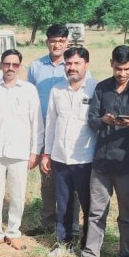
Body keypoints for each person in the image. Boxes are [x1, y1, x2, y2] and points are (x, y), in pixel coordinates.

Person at [76, 45, 129, 257]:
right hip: (101, 162)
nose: (122, 73)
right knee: (95, 213)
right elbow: (91, 119)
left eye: (127, 68)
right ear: (111, 63)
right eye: (118, 68)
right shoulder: (102, 87)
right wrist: (105, 119)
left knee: (126, 215)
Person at [0, 49, 41, 250]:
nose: (10, 68)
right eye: (7, 64)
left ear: (19, 67)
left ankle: (13, 232)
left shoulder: (29, 90)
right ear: (1, 65)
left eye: (14, 65)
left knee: (18, 194)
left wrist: (34, 151)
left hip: (20, 152)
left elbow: (37, 123)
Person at [27, 24, 84, 234]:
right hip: (43, 130)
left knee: (71, 183)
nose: (57, 44)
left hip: (69, 133)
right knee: (47, 179)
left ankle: (72, 226)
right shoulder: (35, 67)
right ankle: (48, 223)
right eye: (53, 41)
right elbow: (30, 99)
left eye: (61, 41)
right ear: (47, 42)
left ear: (67, 42)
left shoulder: (74, 65)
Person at [41, 47, 97, 257]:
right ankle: (63, 242)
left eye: (76, 63)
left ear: (86, 65)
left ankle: (88, 245)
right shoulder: (57, 90)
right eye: (68, 64)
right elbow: (51, 123)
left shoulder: (96, 88)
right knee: (63, 203)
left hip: (86, 158)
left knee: (88, 205)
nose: (72, 68)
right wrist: (47, 153)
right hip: (60, 157)